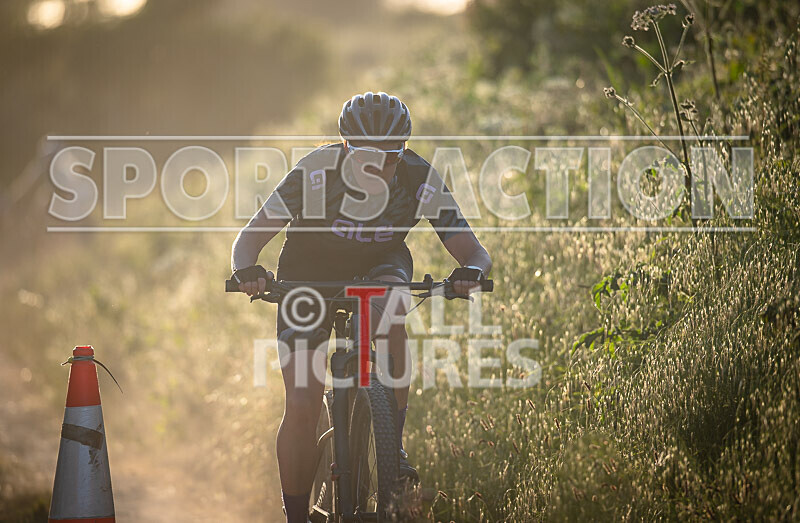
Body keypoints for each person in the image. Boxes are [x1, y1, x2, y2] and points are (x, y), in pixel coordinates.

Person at [230, 91, 492, 522]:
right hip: (308, 271)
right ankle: (296, 516)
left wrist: (472, 273)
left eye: (390, 156)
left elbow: (474, 252)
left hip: (380, 264)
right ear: (345, 146)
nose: (377, 166)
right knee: (302, 403)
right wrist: (247, 271)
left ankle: (392, 445)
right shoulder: (315, 172)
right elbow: (250, 238)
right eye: (364, 154)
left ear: (403, 151)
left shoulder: (416, 177)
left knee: (391, 308)